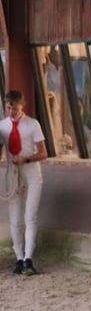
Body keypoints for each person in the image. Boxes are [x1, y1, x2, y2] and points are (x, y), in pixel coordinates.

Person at [0, 90, 48, 275]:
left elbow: (43, 153)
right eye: (8, 107)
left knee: (30, 215)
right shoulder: (2, 126)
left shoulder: (32, 124)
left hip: (31, 170)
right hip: (12, 172)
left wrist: (26, 159)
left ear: (22, 106)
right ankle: (19, 257)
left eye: (15, 107)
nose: (11, 110)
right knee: (15, 217)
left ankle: (29, 257)